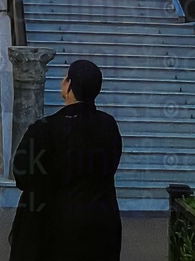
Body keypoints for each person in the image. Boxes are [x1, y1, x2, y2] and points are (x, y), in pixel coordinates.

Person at [9, 59, 122, 261]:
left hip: (52, 228)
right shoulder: (108, 126)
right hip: (100, 226)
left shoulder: (44, 130)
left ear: (70, 86)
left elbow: (22, 175)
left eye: (65, 77)